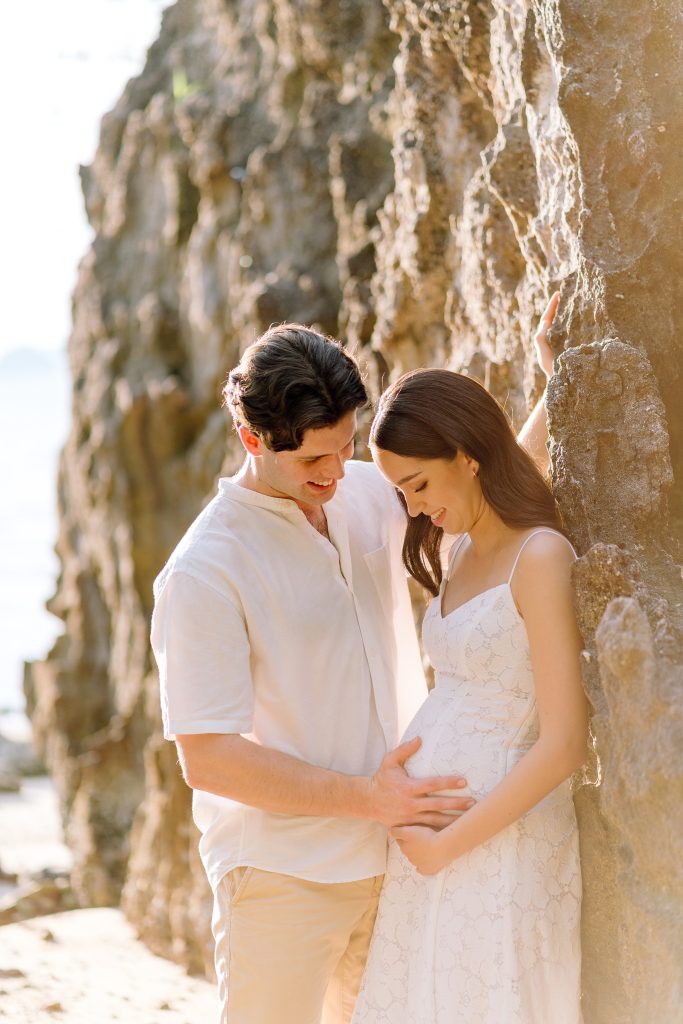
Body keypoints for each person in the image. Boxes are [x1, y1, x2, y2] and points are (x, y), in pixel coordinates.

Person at [150, 298, 559, 1024]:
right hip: (282, 878)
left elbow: (483, 505)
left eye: (345, 446)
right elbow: (208, 758)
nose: (337, 471)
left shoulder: (366, 490)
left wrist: (554, 385)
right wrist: (367, 799)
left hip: (397, 862)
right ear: (251, 438)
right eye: (312, 457)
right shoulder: (204, 571)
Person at [352, 365, 588, 1023]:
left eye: (418, 483)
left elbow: (565, 743)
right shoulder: (459, 551)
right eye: (399, 491)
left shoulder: (539, 557)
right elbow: (516, 453)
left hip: (497, 843)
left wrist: (444, 845)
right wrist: (551, 375)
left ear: (465, 455)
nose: (413, 507)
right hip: (435, 844)